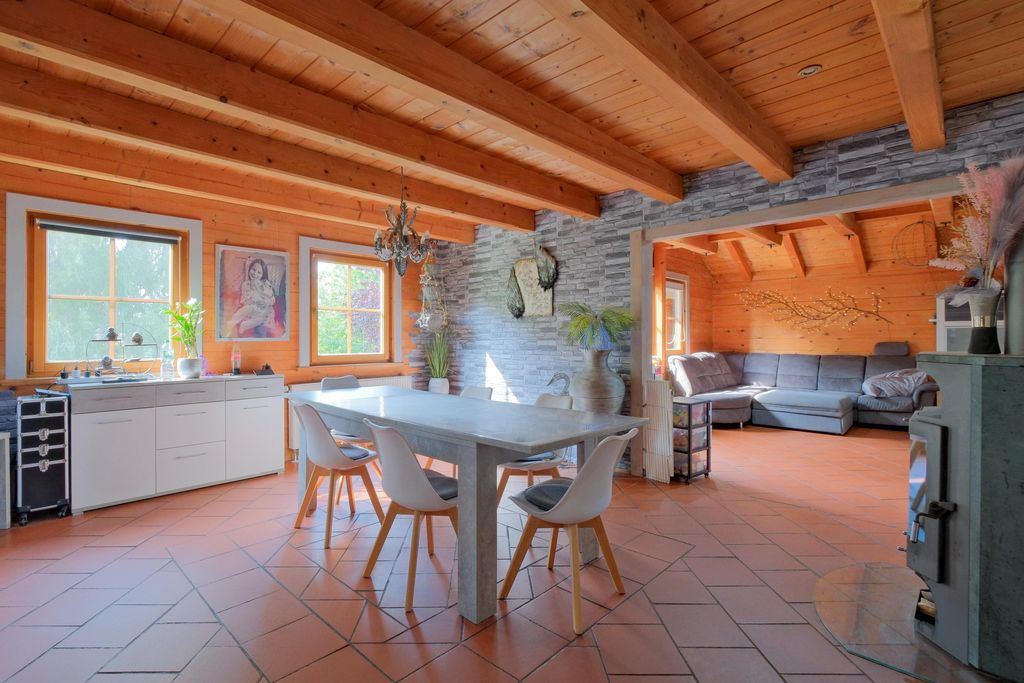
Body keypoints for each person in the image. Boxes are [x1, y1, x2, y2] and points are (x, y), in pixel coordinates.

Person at [228, 258, 277, 336]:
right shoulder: (245, 284)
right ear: (249, 269)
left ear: (262, 275)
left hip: (264, 312)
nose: (255, 273)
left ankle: (244, 325)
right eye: (253, 269)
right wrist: (251, 298)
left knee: (260, 322)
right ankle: (232, 322)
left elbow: (272, 298)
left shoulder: (265, 283)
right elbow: (243, 300)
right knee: (243, 310)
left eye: (259, 272)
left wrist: (267, 301)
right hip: (252, 307)